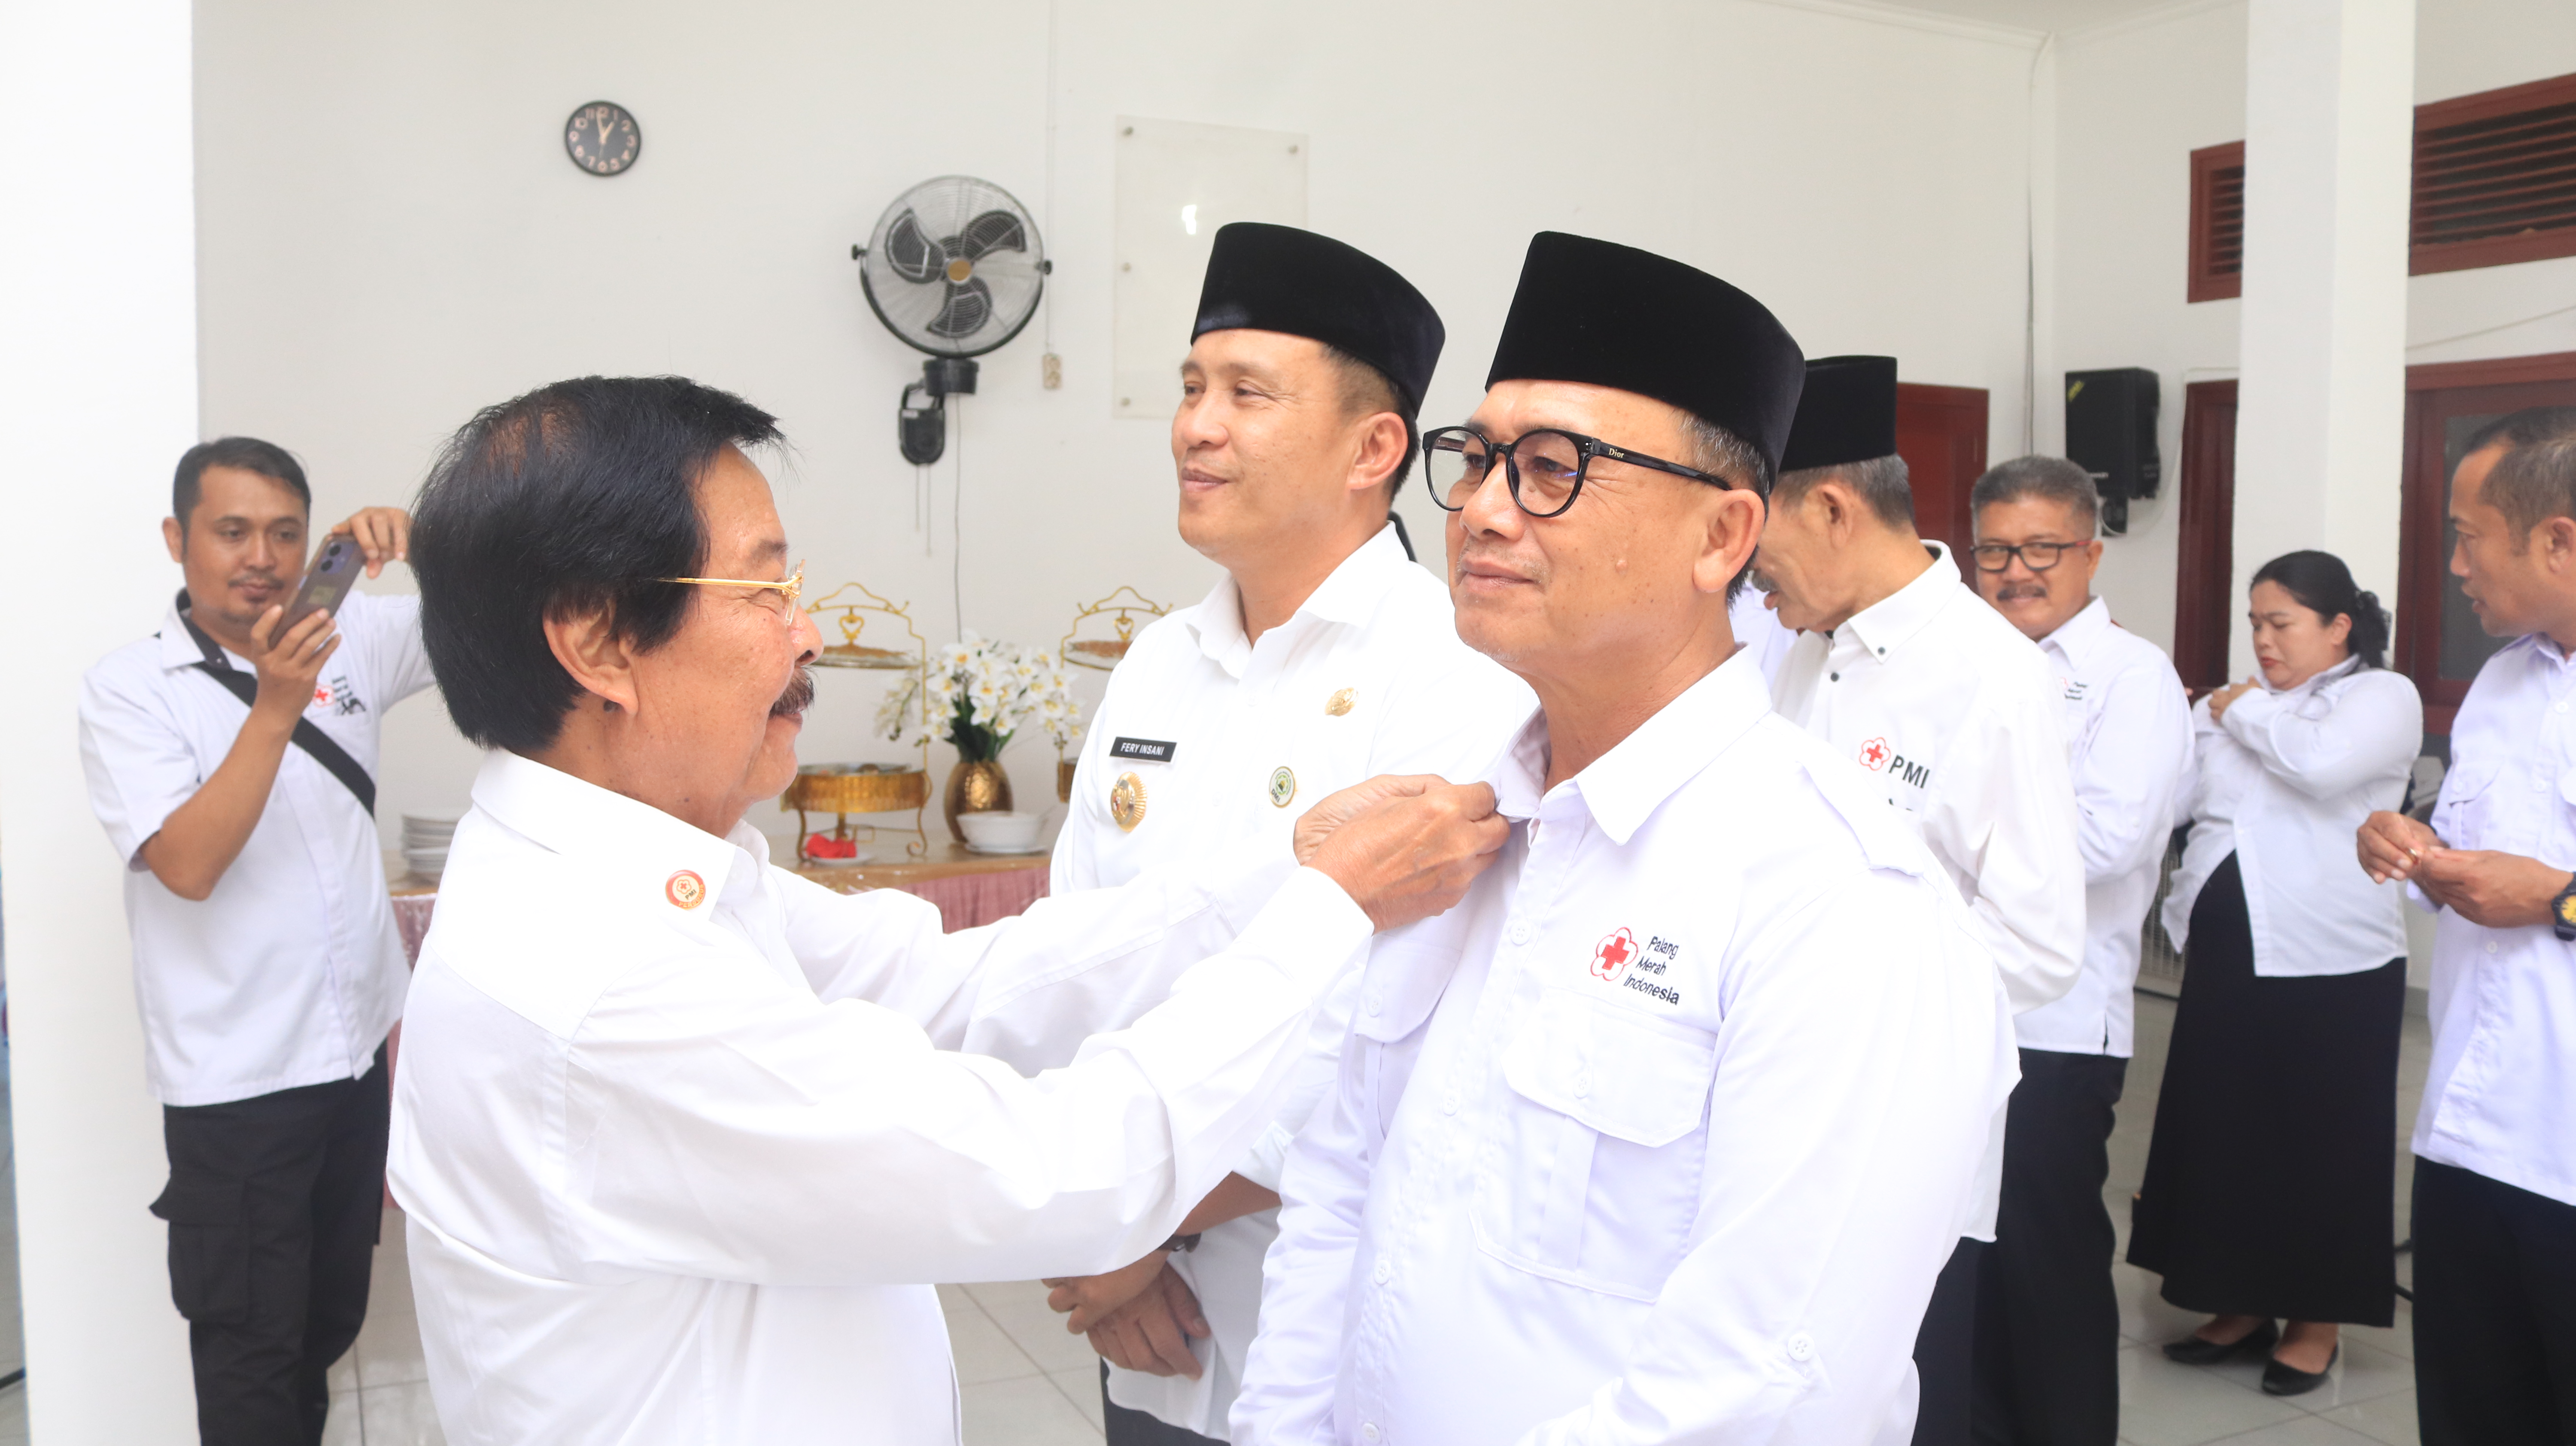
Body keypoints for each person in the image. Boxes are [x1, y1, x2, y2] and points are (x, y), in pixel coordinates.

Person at [385, 375, 1507, 1446]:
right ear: (596, 642)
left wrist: (1288, 871)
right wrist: (1328, 908)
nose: (808, 633)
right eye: (764, 591)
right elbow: (1062, 1165)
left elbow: (956, 976)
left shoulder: (629, 877)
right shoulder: (601, 982)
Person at [1231, 233, 2017, 1445]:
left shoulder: (1839, 899)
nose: (1483, 511)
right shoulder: (1453, 837)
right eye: (1478, 459)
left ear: (1722, 537)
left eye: (1555, 469)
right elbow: (1339, 1192)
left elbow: (1763, 1385)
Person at [1044, 222, 1534, 1445]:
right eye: (1192, 388)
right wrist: (1098, 1221)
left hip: (1310, 1313)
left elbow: (1384, 1029)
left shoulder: (1457, 676)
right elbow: (1077, 949)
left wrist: (1139, 1220)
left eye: (1247, 394)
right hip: (1138, 1317)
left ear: (1376, 449)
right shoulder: (1158, 662)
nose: (1196, 428)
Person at [1757, 357, 2084, 1446]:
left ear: (1831, 509)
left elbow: (2041, 945)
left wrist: (1844, 993)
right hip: (1774, 1104)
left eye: (1758, 536)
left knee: (1902, 1396)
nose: (1749, 573)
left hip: (1901, 1127)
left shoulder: (1991, 675)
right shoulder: (1804, 653)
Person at [77, 437, 428, 1446]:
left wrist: (430, 542)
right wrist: (276, 704)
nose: (262, 558)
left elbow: (501, 617)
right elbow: (188, 864)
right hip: (237, 1087)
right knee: (249, 1356)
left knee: (326, 1326)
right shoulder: (130, 688)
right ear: (176, 538)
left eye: (285, 533)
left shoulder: (352, 636)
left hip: (353, 1061)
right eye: (232, 531)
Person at [2130, 550, 2420, 1397]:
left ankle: (2315, 1321)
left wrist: (2242, 710)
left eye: (2281, 622)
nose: (2262, 639)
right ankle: (2241, 1301)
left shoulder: (2380, 696)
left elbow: (2319, 765)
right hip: (2229, 953)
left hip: (2335, 959)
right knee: (2228, 1131)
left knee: (2321, 1140)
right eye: (2255, 622)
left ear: (2338, 627)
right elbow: (2174, 800)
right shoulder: (2230, 706)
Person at [2357, 406, 2576, 1445]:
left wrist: (2560, 898)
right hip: (2470, 1134)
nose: (2454, 566)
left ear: (2557, 539)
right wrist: (2417, 848)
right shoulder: (2502, 680)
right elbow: (2483, 847)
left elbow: (2545, 887)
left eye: (2468, 536)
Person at [1964, 456, 2191, 1445]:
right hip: (1951, 1010)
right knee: (1961, 1266)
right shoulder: (1964, 661)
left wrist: (1939, 836)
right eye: (1994, 551)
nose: (2017, 570)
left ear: (2091, 554)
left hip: (2057, 1025)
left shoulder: (2131, 677)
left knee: (2044, 1266)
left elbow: (2107, 842)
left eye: (2042, 548)